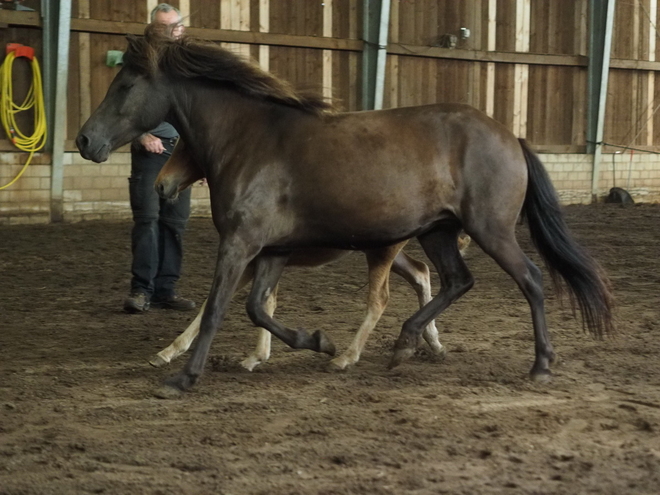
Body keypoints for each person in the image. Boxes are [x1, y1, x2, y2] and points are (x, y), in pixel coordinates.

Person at [123, 3, 194, 313]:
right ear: (152, 30)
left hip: (180, 153)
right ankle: (141, 290)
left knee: (175, 223)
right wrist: (141, 135)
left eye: (173, 27)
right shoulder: (140, 65)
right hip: (150, 152)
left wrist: (199, 157)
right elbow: (121, 111)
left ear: (181, 29)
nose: (169, 32)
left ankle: (166, 289)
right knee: (147, 220)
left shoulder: (189, 68)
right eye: (162, 28)